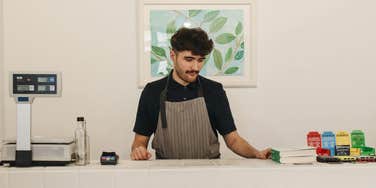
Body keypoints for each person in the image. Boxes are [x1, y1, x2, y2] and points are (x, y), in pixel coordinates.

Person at [131, 27, 271, 160]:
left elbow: (233, 140)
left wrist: (257, 154)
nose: (195, 67)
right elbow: (139, 142)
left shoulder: (214, 90)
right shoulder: (152, 91)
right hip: (166, 172)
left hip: (209, 173)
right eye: (189, 59)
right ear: (173, 55)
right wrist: (138, 151)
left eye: (200, 60)